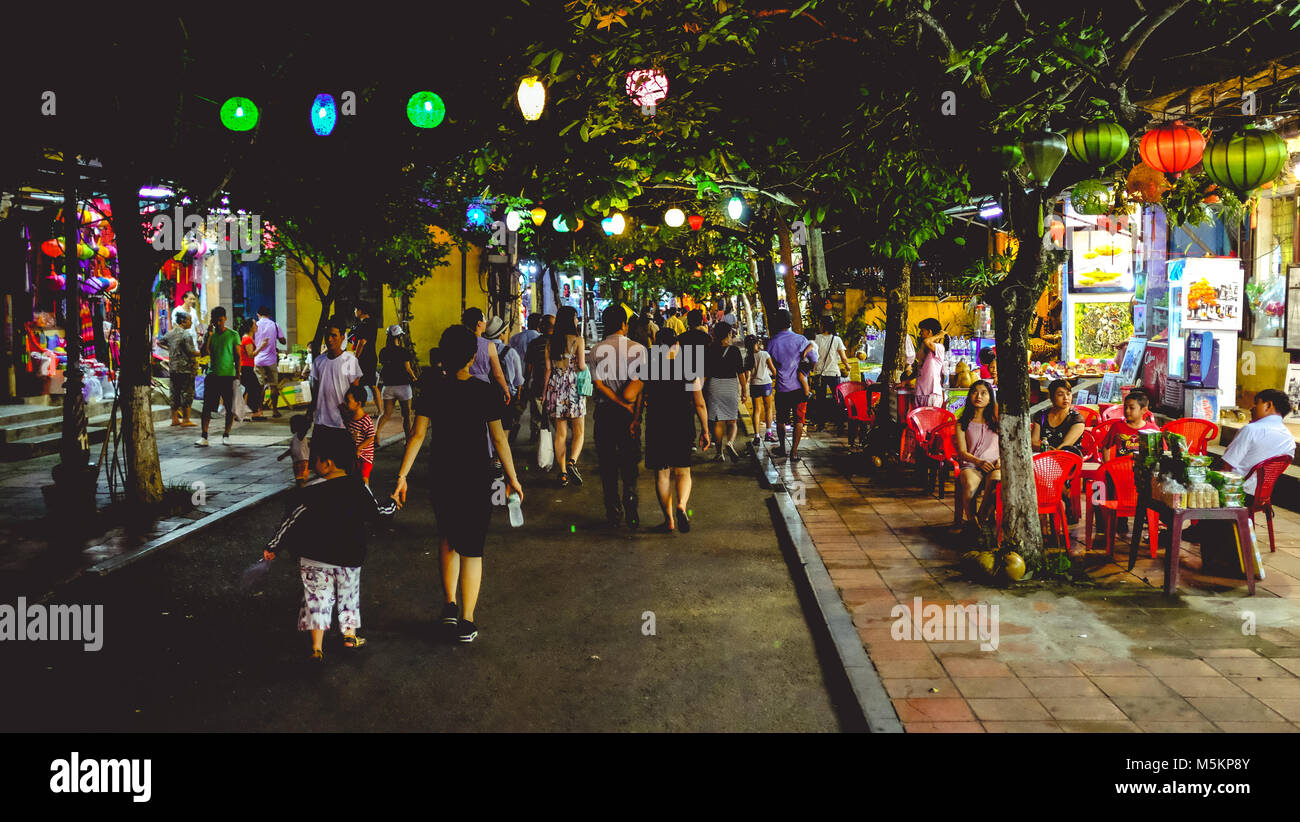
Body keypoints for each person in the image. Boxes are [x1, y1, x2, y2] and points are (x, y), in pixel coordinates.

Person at [392, 324, 523, 644]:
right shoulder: (485, 391)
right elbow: (498, 439)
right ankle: (467, 619)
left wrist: (402, 476)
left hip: (442, 474)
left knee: (448, 538)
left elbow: (418, 435)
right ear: (471, 357)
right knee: (473, 548)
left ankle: (449, 605)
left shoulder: (432, 388)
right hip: (476, 476)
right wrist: (513, 478)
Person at [262, 432, 397, 660]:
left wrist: (273, 546)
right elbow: (377, 514)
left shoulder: (311, 491)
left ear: (328, 463)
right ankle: (349, 637)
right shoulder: (359, 487)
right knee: (348, 596)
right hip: (350, 557)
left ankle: (317, 648)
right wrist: (393, 503)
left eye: (316, 459)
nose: (314, 464)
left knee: (316, 599)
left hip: (315, 557)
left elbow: (291, 520)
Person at [1187, 388, 1296, 571]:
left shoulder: (1251, 430)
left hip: (1236, 494)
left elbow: (1226, 466)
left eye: (1256, 403)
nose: (1252, 408)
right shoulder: (1288, 438)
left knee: (1194, 481)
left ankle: (1197, 528)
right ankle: (1200, 529)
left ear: (1268, 406)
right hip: (1260, 495)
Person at [643, 328, 710, 533]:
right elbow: (699, 403)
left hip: (657, 422)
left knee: (662, 475)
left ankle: (669, 520)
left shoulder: (650, 366)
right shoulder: (688, 366)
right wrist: (705, 430)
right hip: (682, 422)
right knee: (683, 471)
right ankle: (682, 505)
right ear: (677, 345)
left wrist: (636, 420)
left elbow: (641, 397)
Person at [591, 304, 646, 529]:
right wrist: (635, 415)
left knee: (607, 463)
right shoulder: (639, 350)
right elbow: (642, 388)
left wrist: (615, 400)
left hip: (604, 413)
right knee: (629, 460)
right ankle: (631, 500)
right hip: (629, 414)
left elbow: (598, 384)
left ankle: (613, 507)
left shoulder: (596, 350)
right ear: (624, 325)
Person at [543, 305, 587, 487]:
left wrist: (544, 393)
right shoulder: (578, 340)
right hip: (573, 386)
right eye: (576, 317)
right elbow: (582, 366)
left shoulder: (550, 341)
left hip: (555, 386)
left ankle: (562, 473)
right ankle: (572, 462)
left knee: (560, 434)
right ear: (571, 320)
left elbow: (547, 370)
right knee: (579, 432)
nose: (577, 320)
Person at [767, 309, 818, 460]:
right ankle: (794, 452)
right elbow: (814, 359)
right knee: (799, 420)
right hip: (799, 389)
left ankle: (782, 448)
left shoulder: (772, 342)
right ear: (790, 322)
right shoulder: (801, 340)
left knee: (781, 420)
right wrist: (805, 372)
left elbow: (768, 363)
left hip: (782, 387)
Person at [310, 316, 363, 459]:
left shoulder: (350, 360)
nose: (330, 339)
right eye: (327, 335)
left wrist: (355, 422)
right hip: (321, 423)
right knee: (321, 468)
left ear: (342, 336)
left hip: (342, 425)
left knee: (342, 468)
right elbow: (315, 393)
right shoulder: (318, 362)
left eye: (334, 335)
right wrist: (309, 416)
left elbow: (356, 394)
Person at [951, 380, 1000, 533]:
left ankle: (980, 519)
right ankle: (974, 523)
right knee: (969, 484)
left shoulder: (998, 421)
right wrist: (978, 462)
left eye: (983, 393)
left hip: (996, 464)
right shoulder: (962, 423)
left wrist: (1000, 460)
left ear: (990, 398)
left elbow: (1006, 446)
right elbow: (962, 452)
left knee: (996, 480)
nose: (978, 396)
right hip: (972, 464)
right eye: (975, 392)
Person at [704, 320, 747, 461]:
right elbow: (740, 373)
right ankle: (730, 443)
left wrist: (697, 390)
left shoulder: (709, 350)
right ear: (728, 334)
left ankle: (719, 453)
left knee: (717, 422)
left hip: (714, 385)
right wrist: (744, 392)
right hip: (730, 386)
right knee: (732, 421)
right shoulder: (734, 350)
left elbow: (704, 373)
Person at [197, 307, 239, 447]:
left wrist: (238, 375)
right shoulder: (210, 335)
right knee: (207, 407)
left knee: (229, 407)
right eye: (216, 321)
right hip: (212, 375)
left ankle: (226, 434)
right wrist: (208, 335)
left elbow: (237, 356)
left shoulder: (233, 335)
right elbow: (204, 352)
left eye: (221, 320)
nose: (219, 323)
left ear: (225, 319)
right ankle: (204, 435)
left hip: (228, 375)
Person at [463, 307, 512, 406]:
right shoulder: (489, 345)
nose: (486, 323)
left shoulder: (460, 343)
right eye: (484, 320)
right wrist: (506, 390)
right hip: (482, 387)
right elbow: (498, 373)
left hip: (462, 386)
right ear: (479, 323)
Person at [810, 315, 851, 432]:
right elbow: (843, 357)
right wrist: (848, 366)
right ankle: (839, 423)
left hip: (819, 373)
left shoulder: (816, 339)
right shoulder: (837, 340)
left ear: (823, 325)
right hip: (833, 373)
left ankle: (821, 424)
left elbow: (812, 355)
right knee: (837, 399)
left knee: (820, 400)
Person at [487, 316, 524, 443]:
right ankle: (499, 456)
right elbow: (518, 379)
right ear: (501, 334)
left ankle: (491, 452)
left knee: (489, 424)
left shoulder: (481, 349)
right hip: (506, 394)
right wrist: (518, 394)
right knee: (505, 425)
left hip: (487, 391)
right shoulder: (511, 352)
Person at [377, 325, 417, 441]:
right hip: (403, 387)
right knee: (406, 416)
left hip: (388, 387)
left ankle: (377, 435)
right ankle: (408, 440)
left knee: (385, 414)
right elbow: (408, 369)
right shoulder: (403, 351)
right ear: (399, 337)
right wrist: (414, 378)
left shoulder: (383, 351)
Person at [1100, 389, 1160, 459]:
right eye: (1125, 407)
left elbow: (1162, 451)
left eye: (1131, 408)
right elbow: (1105, 447)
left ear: (1144, 410)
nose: (1127, 411)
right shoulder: (1117, 427)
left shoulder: (1153, 429)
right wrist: (1107, 467)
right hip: (1122, 469)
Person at [163, 309, 198, 427]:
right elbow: (191, 352)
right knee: (187, 393)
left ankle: (174, 419)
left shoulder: (170, 333)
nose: (191, 323)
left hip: (173, 368)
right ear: (183, 321)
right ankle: (186, 419)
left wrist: (172, 350)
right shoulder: (186, 334)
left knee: (174, 392)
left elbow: (159, 342)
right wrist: (202, 352)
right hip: (186, 368)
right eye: (189, 320)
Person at [1032, 378, 1085, 456]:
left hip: (1068, 458)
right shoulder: (1041, 416)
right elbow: (1033, 442)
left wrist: (1051, 452)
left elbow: (1065, 445)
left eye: (1068, 394)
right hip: (1046, 456)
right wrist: (1045, 449)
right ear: (1051, 397)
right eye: (1060, 394)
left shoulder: (1076, 419)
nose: (1066, 398)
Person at [523, 314, 554, 442]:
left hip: (538, 383)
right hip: (556, 385)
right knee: (557, 418)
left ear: (541, 327)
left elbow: (529, 368)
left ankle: (536, 436)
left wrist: (525, 384)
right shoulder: (559, 343)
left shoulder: (534, 344)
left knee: (537, 415)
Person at [254, 306, 287, 418]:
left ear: (258, 314)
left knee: (260, 386)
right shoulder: (274, 325)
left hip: (258, 359)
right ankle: (275, 410)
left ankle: (259, 410)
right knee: (273, 386)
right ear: (269, 314)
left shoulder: (255, 326)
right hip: (271, 360)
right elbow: (283, 341)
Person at [349, 301, 381, 417]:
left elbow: (362, 342)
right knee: (372, 385)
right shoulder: (372, 323)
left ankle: (358, 410)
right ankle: (380, 411)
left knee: (357, 384)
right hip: (371, 357)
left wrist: (356, 357)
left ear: (361, 311)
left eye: (355, 309)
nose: (354, 312)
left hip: (364, 359)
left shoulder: (365, 324)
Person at [344, 385, 377, 486]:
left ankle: (368, 497)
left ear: (358, 404)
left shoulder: (365, 420)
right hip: (355, 454)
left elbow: (371, 437)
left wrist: (359, 448)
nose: (345, 403)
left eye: (348, 401)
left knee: (364, 478)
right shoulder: (350, 417)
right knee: (354, 476)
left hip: (365, 456)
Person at [747, 336, 775, 446]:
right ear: (756, 343)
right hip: (766, 384)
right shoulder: (764, 354)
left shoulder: (748, 357)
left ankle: (757, 436)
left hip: (754, 385)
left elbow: (747, 375)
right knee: (768, 408)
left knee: (756, 410)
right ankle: (768, 433)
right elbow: (773, 370)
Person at [913, 318, 946, 408]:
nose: (920, 333)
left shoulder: (939, 348)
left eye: (922, 331)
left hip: (932, 394)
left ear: (929, 332)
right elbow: (919, 370)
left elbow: (927, 341)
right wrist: (906, 381)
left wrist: (939, 335)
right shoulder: (922, 350)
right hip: (919, 393)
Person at [238, 318, 266, 419]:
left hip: (247, 367)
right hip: (246, 367)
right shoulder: (247, 339)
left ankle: (248, 412)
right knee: (256, 388)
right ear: (250, 327)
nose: (257, 326)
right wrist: (261, 346)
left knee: (249, 389)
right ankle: (253, 411)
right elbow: (250, 354)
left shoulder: (247, 338)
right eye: (255, 325)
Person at [276, 414, 312, 486]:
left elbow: (305, 430)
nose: (291, 427)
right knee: (300, 479)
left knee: (300, 480)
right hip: (298, 462)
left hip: (302, 462)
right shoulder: (296, 437)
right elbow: (292, 449)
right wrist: (283, 455)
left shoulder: (299, 435)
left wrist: (308, 421)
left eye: (292, 425)